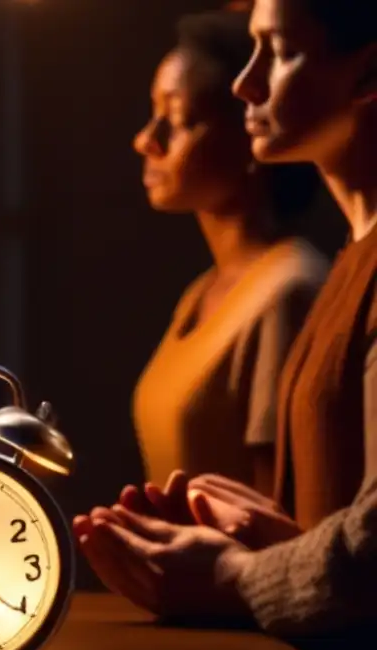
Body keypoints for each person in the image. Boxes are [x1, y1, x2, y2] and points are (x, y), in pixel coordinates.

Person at [76, 0, 377, 650]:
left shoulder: (300, 279)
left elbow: (370, 546)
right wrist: (260, 536)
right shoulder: (348, 259)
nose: (248, 84)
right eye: (250, 50)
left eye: (279, 49)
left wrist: (237, 573)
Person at [131, 9, 328, 497]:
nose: (147, 140)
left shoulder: (287, 291)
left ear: (248, 131)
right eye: (152, 115)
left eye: (178, 120)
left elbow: (277, 502)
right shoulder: (200, 293)